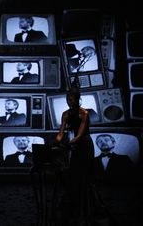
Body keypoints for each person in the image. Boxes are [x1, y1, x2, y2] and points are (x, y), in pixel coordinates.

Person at [55, 84, 95, 225]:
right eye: (67, 99)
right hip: (73, 145)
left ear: (77, 99)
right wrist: (57, 142)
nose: (69, 101)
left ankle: (86, 212)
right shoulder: (65, 114)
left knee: (84, 178)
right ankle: (71, 211)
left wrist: (68, 144)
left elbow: (80, 135)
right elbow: (61, 133)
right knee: (73, 177)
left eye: (71, 99)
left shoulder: (84, 114)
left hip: (85, 145)